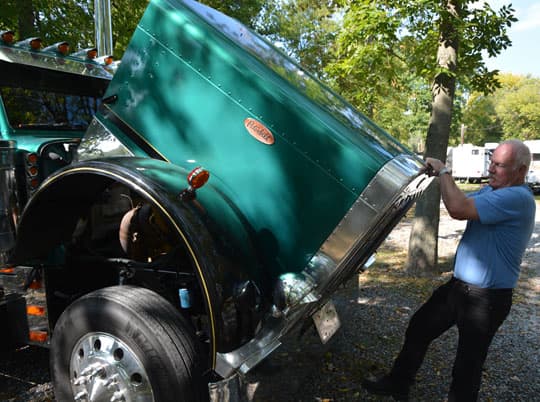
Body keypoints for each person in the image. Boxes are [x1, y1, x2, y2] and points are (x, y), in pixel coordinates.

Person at [362, 139, 536, 401]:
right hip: (459, 288)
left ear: (521, 171)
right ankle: (398, 383)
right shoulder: (493, 191)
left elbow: (457, 208)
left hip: (487, 298)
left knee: (468, 362)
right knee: (420, 326)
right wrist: (438, 177)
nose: (491, 169)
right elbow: (460, 198)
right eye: (491, 162)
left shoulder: (517, 198)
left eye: (500, 166)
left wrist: (443, 171)